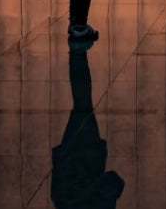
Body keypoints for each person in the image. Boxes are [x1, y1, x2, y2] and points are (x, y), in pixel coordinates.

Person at [51, 48, 125, 208]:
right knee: (82, 103)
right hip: (74, 161)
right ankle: (78, 52)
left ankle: (78, 51)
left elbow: (113, 180)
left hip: (86, 160)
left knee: (83, 103)